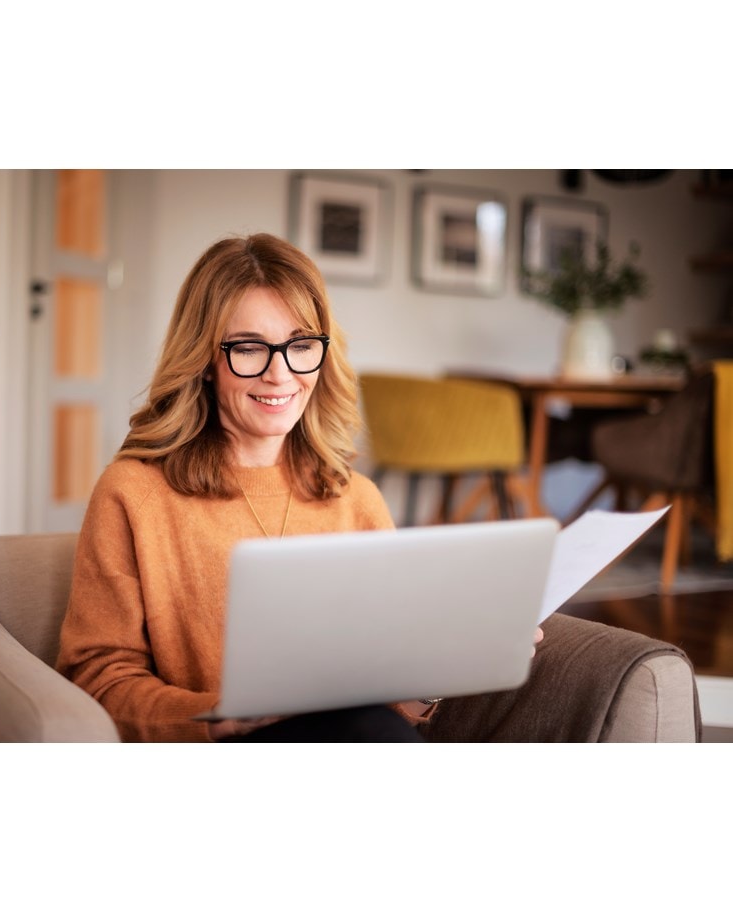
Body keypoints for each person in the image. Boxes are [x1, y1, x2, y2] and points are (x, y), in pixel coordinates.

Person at [55, 232, 542, 742]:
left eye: (300, 346)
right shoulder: (133, 492)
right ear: (203, 361)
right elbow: (96, 678)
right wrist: (223, 716)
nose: (279, 374)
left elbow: (389, 695)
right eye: (248, 348)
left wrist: (436, 675)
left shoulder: (356, 499)